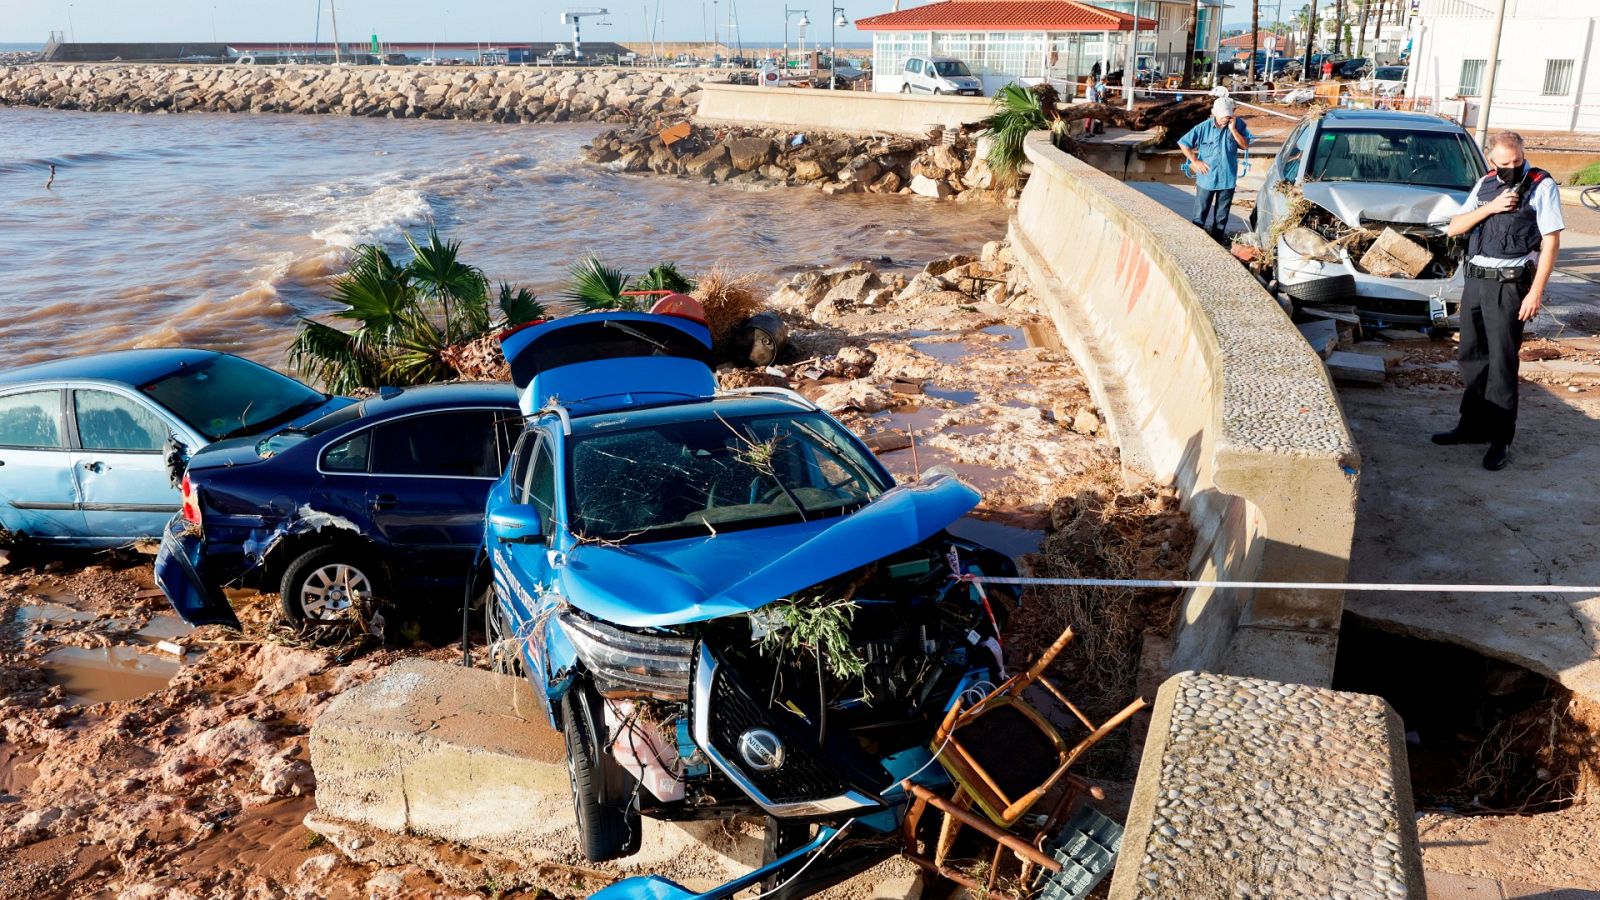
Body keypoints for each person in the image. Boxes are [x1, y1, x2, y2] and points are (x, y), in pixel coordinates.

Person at [1435, 131, 1564, 471]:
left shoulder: (1541, 185)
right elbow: (1454, 228)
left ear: (1524, 155)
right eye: (1504, 163)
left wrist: (1536, 291)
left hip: (1509, 287)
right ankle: (1471, 427)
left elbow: (1551, 243)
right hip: (1476, 282)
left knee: (1502, 364)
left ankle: (1500, 439)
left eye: (1517, 161)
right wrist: (1490, 207)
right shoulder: (1485, 185)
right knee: (1472, 357)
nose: (1511, 168)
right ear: (1491, 160)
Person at [1177, 97, 1252, 244]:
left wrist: (1233, 130)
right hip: (1207, 178)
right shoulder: (1203, 128)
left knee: (1221, 217)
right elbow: (1183, 143)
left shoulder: (1238, 125)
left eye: (1228, 116)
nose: (1225, 119)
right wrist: (1195, 161)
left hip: (1227, 178)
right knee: (1200, 215)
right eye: (1223, 116)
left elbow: (1245, 145)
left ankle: (1217, 242)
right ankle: (1196, 242)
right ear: (1215, 114)